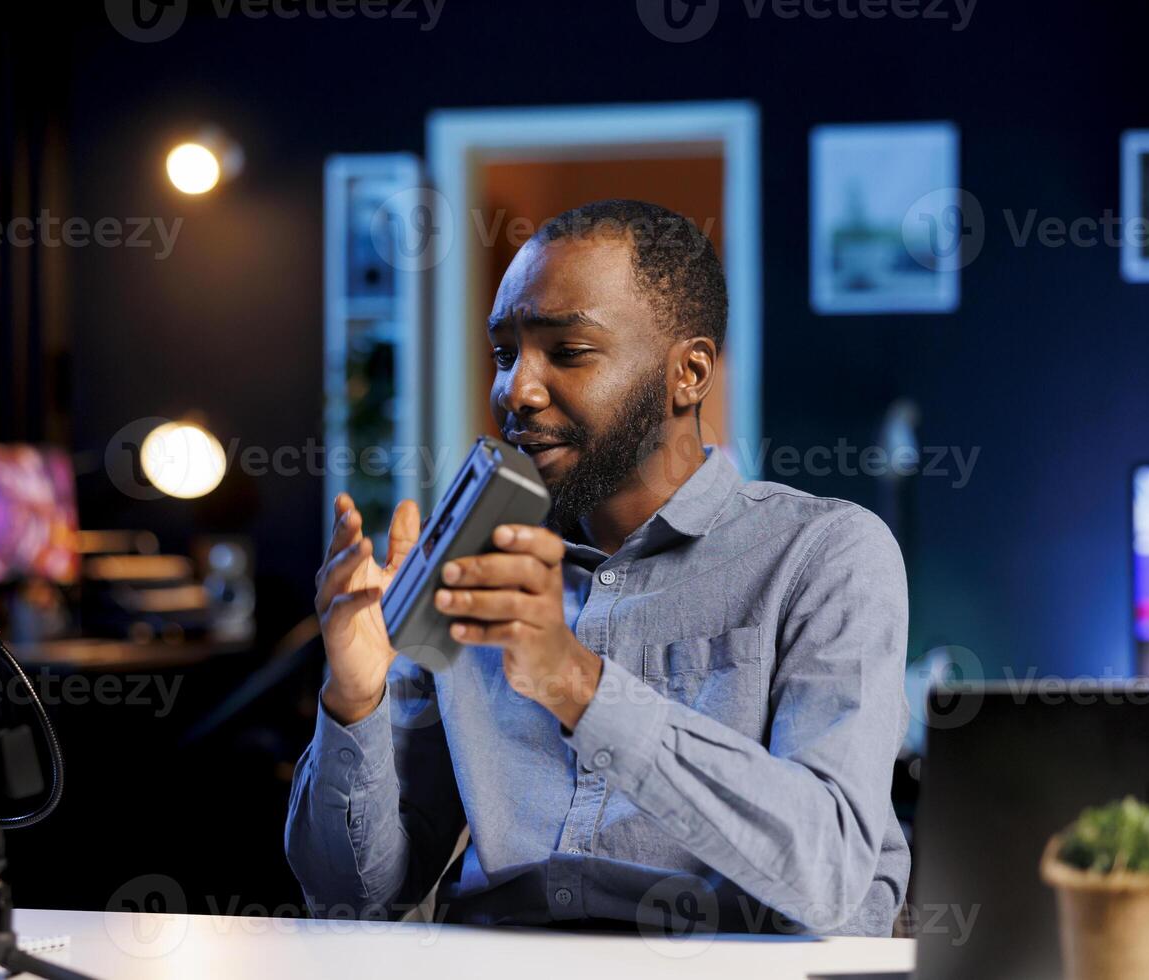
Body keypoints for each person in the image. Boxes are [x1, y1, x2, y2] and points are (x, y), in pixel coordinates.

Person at [285, 199, 910, 936]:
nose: (517, 389)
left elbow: (834, 874)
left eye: (568, 351)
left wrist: (575, 681)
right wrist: (355, 697)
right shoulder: (472, 570)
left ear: (690, 373)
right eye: (504, 353)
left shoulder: (827, 554)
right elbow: (349, 903)